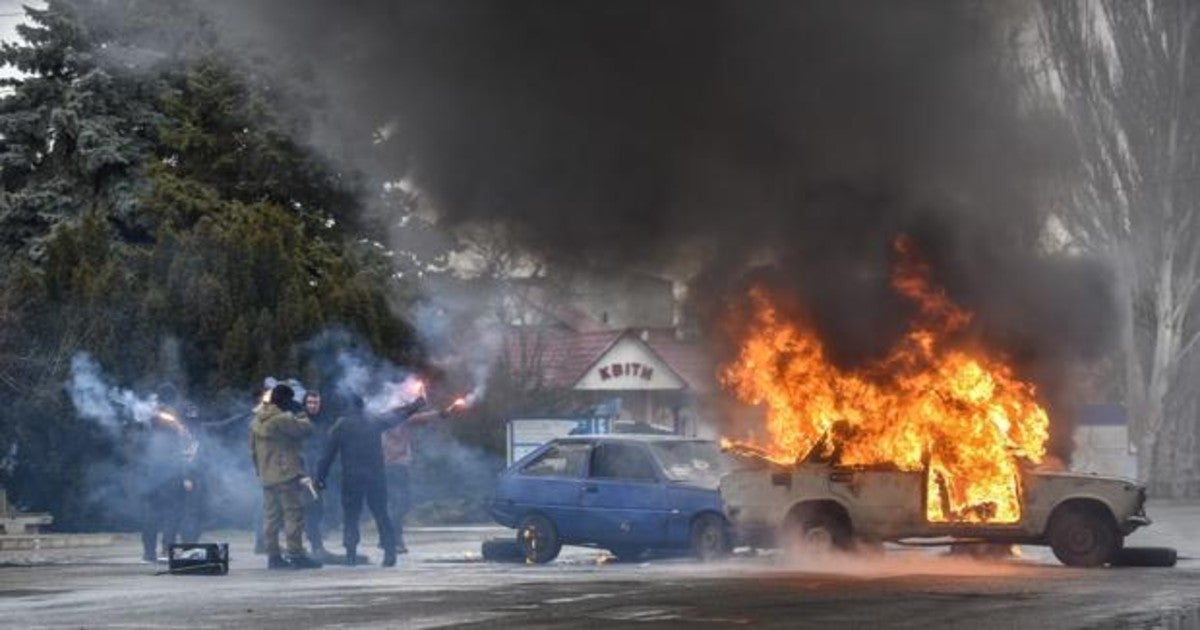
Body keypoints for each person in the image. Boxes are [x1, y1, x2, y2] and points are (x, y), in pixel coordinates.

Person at [316, 395, 428, 567]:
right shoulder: (374, 421)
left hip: (352, 477)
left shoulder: (341, 426)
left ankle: (351, 553)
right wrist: (416, 405)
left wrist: (320, 478)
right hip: (376, 476)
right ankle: (390, 551)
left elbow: (327, 455)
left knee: (351, 516)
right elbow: (397, 417)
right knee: (381, 513)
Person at [250, 383, 321, 570]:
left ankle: (273, 556)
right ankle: (296, 554)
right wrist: (300, 413)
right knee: (294, 514)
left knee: (271, 517)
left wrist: (260, 471)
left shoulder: (257, 419)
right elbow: (306, 429)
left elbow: (253, 451)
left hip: (267, 475)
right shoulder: (282, 418)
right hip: (286, 473)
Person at [300, 390, 336, 560]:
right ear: (305, 403)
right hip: (304, 472)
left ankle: (315, 543)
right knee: (311, 509)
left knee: (319, 509)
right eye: (310, 403)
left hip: (320, 471)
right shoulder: (299, 422)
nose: (313, 406)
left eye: (316, 403)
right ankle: (314, 546)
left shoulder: (323, 422)